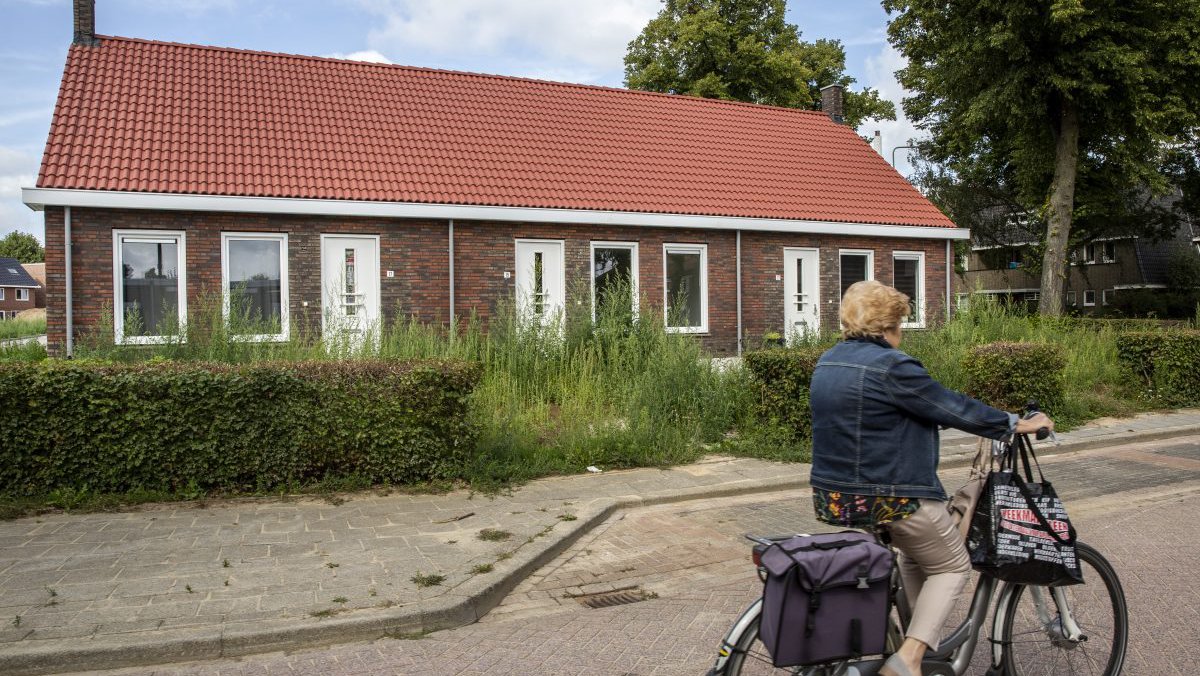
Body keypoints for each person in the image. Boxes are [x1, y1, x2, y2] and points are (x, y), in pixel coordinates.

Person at [809, 280, 1052, 676]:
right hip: (889, 493)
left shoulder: (829, 362)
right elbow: (950, 405)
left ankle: (915, 645)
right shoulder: (892, 365)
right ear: (887, 325)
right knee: (953, 565)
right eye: (900, 323)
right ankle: (909, 659)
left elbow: (875, 420)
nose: (901, 332)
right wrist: (1015, 423)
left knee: (919, 556)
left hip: (834, 495)